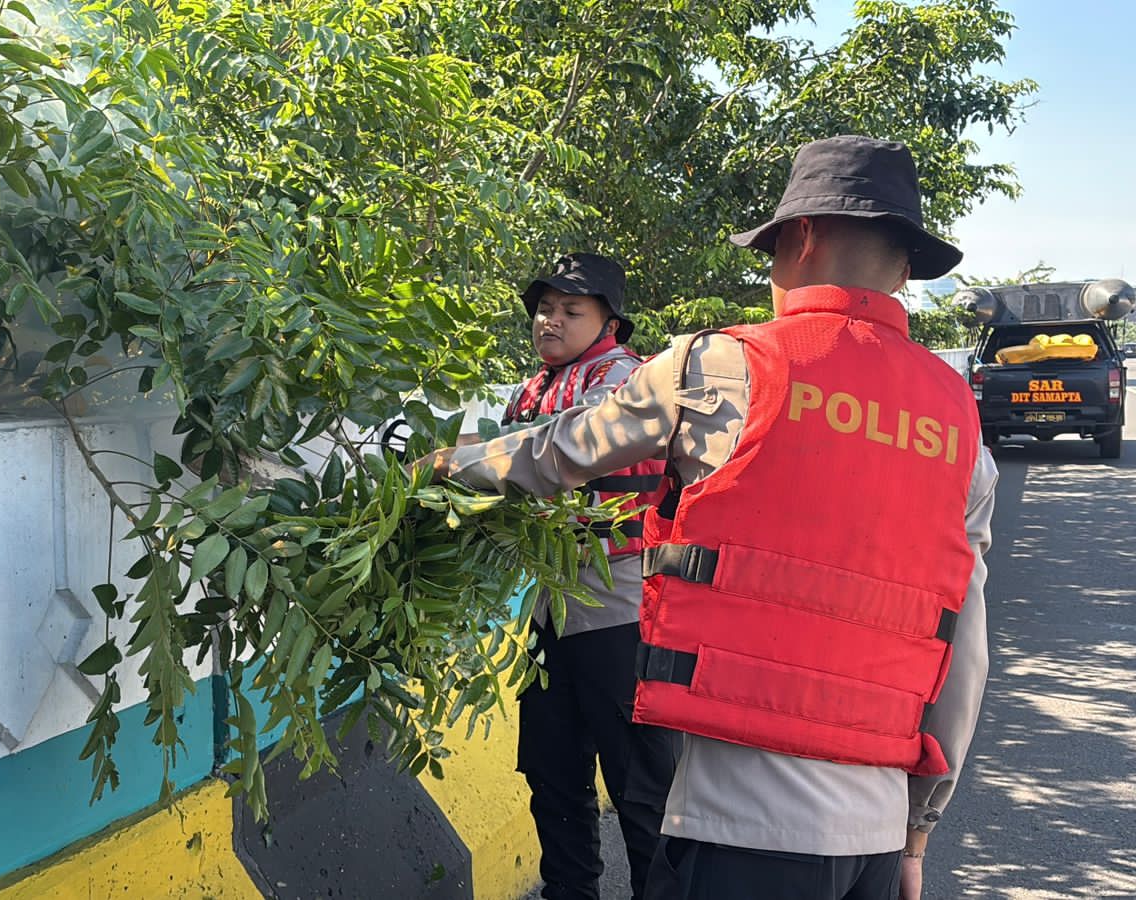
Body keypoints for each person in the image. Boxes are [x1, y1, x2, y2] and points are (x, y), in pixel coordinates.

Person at [421, 136, 996, 900]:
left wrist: (444, 468)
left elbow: (559, 453)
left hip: (740, 826)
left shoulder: (718, 368)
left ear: (802, 236)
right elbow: (965, 651)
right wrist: (919, 829)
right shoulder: (958, 423)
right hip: (878, 837)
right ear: (904, 265)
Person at [496, 253, 679, 900]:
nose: (551, 320)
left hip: (621, 611)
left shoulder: (625, 383)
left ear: (610, 322)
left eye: (571, 310)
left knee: (638, 786)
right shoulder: (531, 388)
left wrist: (461, 465)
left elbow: (559, 452)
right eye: (545, 308)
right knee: (552, 774)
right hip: (553, 610)